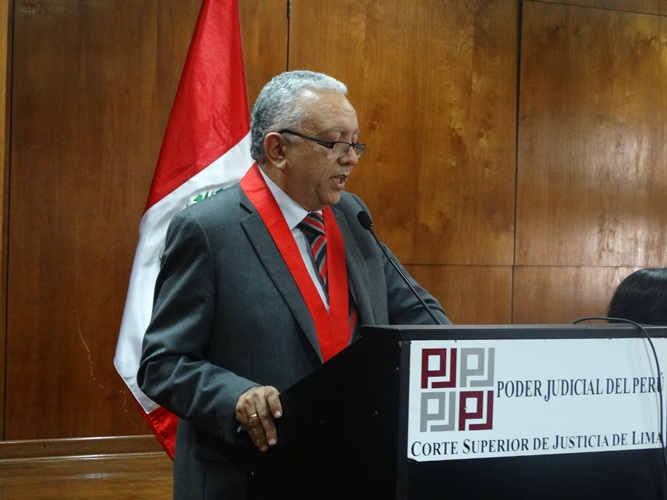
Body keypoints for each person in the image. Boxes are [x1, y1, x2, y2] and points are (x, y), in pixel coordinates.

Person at [137, 70, 449, 499]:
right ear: (278, 149)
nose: (350, 158)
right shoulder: (208, 229)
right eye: (334, 143)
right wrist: (237, 397)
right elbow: (163, 363)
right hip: (250, 474)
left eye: (355, 143)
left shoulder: (351, 216)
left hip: (351, 465)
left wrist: (457, 352)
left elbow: (419, 316)